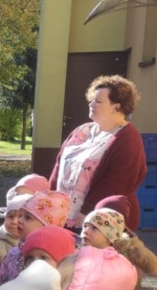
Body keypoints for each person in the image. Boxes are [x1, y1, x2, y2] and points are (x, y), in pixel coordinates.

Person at [50, 75, 148, 231]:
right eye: (91, 100)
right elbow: (59, 165)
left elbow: (116, 183)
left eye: (98, 101)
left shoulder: (127, 138)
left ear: (117, 107)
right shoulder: (82, 131)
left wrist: (87, 212)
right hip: (61, 214)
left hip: (96, 223)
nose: (91, 104)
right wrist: (50, 199)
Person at [0, 190, 70, 284]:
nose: (19, 220)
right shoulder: (14, 254)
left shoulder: (59, 258)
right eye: (20, 215)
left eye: (27, 217)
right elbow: (0, 283)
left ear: (47, 226)